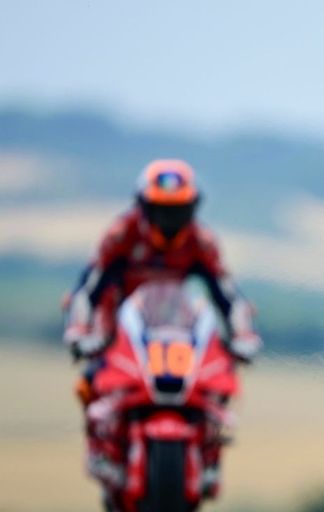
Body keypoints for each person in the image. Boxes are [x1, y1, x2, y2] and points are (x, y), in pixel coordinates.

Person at [63, 159, 261, 485]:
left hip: (172, 322)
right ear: (143, 207)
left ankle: (209, 451)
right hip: (116, 320)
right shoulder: (121, 234)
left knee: (221, 374)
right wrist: (79, 331)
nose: (170, 221)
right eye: (162, 211)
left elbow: (228, 294)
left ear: (192, 209)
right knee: (91, 378)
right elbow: (89, 287)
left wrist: (243, 336)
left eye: (179, 211)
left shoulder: (201, 241)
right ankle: (101, 446)